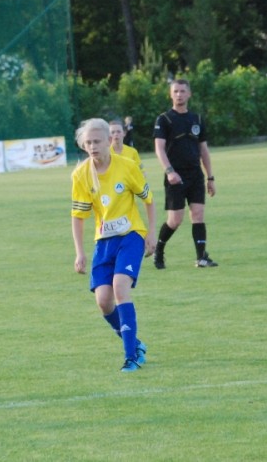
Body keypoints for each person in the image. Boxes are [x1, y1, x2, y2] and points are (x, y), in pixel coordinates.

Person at [71, 118, 157, 373]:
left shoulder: (127, 167)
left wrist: (151, 234)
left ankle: (131, 357)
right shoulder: (81, 174)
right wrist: (79, 252)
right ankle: (135, 343)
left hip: (131, 235)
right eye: (88, 142)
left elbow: (148, 200)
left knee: (120, 287)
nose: (92, 146)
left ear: (109, 141)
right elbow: (78, 216)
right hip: (104, 242)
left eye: (97, 141)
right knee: (103, 301)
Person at [152, 78, 218, 269]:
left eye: (182, 91)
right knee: (175, 220)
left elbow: (204, 150)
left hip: (195, 175)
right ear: (170, 94)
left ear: (189, 94)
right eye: (176, 91)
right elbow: (159, 149)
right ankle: (158, 250)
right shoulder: (164, 119)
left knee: (198, 215)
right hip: (175, 176)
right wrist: (169, 171)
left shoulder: (197, 119)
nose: (179, 95)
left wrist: (210, 177)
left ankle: (201, 258)